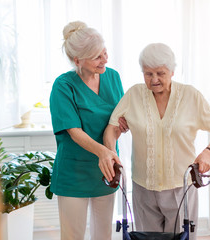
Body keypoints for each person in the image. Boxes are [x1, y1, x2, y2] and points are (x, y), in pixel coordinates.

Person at [103, 43, 210, 239]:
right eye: (148, 74)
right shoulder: (134, 95)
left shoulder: (190, 96)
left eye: (160, 73)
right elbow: (111, 128)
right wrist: (111, 153)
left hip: (181, 188)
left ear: (172, 71)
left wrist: (208, 151)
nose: (154, 80)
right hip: (143, 188)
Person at [49, 21, 127, 240]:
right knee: (73, 235)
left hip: (106, 170)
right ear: (77, 60)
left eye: (105, 53)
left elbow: (117, 120)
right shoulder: (63, 85)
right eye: (97, 57)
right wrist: (102, 152)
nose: (105, 60)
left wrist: (122, 127)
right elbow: (73, 130)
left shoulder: (112, 77)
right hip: (74, 173)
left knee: (103, 234)